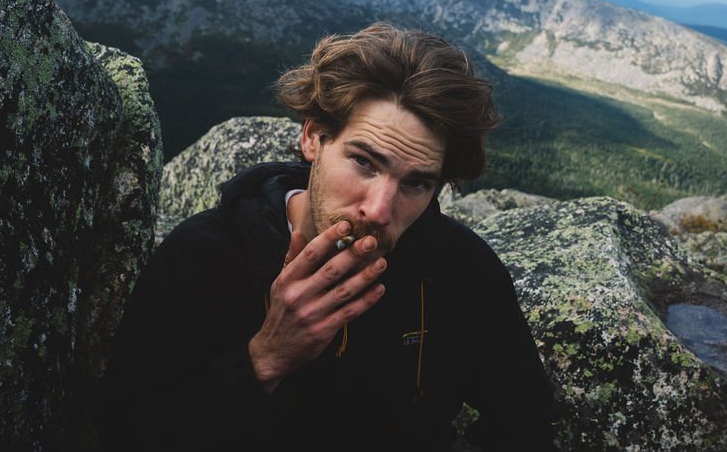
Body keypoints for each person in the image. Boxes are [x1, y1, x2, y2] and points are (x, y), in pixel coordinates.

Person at [97, 23, 558, 451]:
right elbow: (127, 430)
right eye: (364, 162)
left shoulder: (460, 270)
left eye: (416, 184)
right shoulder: (204, 259)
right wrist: (265, 358)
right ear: (314, 138)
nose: (379, 209)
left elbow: (524, 421)